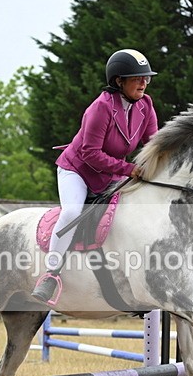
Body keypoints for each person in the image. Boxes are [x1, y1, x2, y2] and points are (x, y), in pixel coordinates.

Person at [31, 48, 160, 304]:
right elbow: (90, 154)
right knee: (71, 213)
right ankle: (51, 274)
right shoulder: (100, 108)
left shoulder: (145, 105)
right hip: (77, 170)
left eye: (146, 78)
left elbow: (153, 144)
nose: (144, 82)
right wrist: (129, 169)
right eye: (137, 78)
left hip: (110, 174)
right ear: (118, 81)